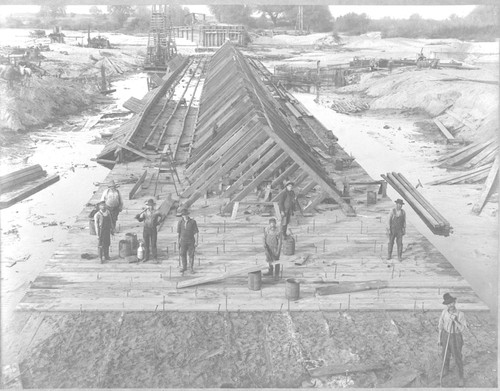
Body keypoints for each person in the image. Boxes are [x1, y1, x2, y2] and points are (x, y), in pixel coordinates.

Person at [438, 293, 467, 387]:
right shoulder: (444, 312)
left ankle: (460, 377)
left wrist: (455, 320)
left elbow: (462, 329)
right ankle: (445, 370)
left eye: (451, 303)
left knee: (457, 356)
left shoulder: (460, 314)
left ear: (455, 302)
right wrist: (439, 338)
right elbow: (440, 326)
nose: (450, 305)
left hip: (456, 337)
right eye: (448, 304)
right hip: (445, 335)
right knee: (445, 354)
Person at [177, 209, 199, 273]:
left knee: (191, 255)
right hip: (183, 241)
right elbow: (178, 233)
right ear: (182, 216)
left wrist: (197, 241)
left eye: (185, 215)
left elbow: (196, 232)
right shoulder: (180, 222)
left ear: (187, 214)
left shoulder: (193, 222)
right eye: (183, 215)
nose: (184, 216)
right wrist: (178, 242)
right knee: (182, 254)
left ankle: (191, 268)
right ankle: (184, 267)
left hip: (191, 241)